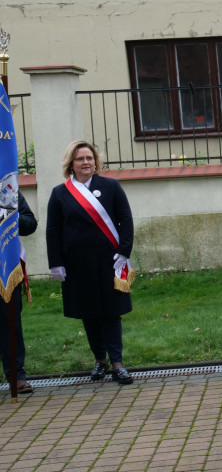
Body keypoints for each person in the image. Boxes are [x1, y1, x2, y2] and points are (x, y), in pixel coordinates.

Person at [46, 140, 135, 385]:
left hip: (109, 261)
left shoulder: (111, 187)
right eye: (80, 159)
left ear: (96, 162)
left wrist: (124, 251)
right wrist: (56, 262)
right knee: (89, 313)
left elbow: (125, 220)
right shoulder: (59, 193)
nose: (86, 162)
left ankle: (118, 364)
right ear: (71, 164)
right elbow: (53, 230)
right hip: (77, 264)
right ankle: (99, 361)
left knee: (111, 312)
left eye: (89, 158)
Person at [1, 195, 38, 394]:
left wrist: (8, 214)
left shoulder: (7, 189)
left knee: (9, 322)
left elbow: (30, 224)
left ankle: (16, 376)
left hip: (5, 268)